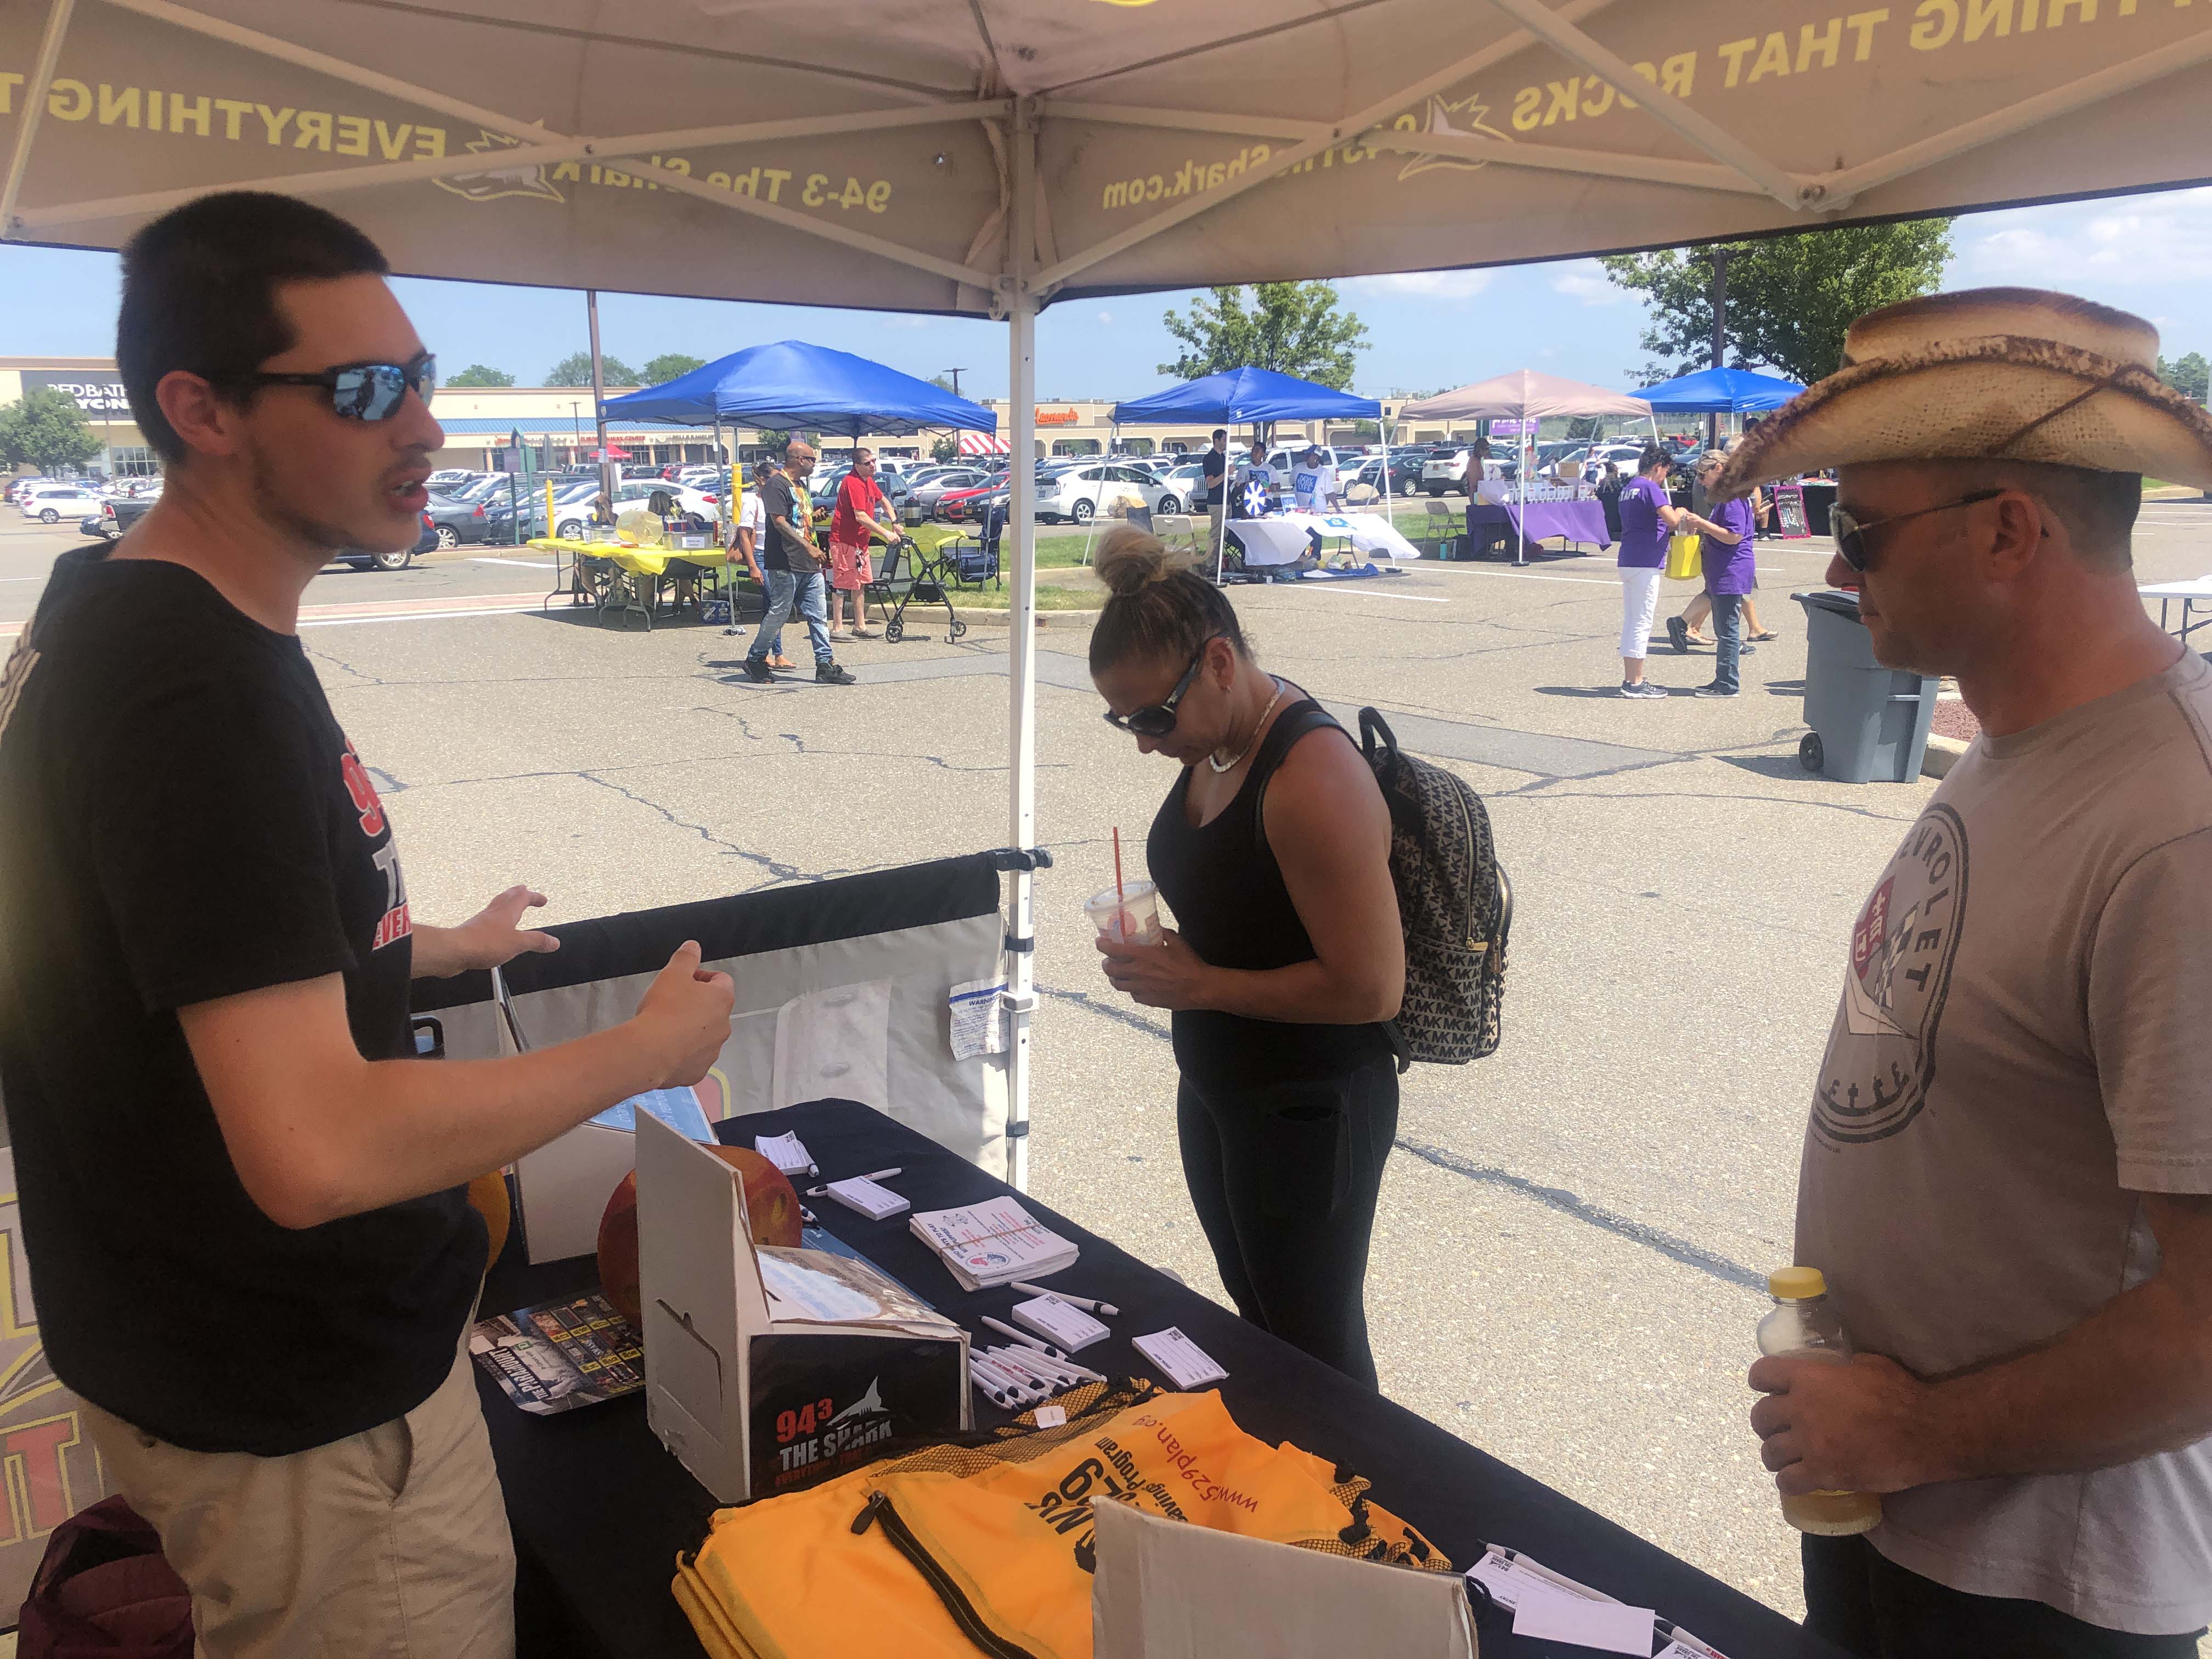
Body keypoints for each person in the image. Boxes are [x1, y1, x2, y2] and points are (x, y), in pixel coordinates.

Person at [0, 191, 737, 1658]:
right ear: (200, 410)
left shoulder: (114, 611)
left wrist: (424, 947)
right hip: (304, 1404)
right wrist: (645, 1051)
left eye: (420, 378)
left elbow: (143, 938)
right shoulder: (194, 689)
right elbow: (316, 1152)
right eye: (361, 391)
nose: (426, 429)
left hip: (195, 1351)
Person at [1724, 287, 2212, 1658]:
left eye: (1858, 529)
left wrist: (1922, 1429)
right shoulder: (2028, 743)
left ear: (2008, 530)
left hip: (2043, 1586)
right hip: (1903, 1505)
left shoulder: (2179, 826)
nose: (1837, 572)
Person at [1087, 526, 1404, 1385]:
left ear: (1219, 663)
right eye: (1124, 720)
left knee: (1315, 1353)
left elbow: (1372, 989)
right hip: (1223, 1083)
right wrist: (1178, 964)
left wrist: (1199, 981)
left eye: (1153, 716)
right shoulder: (1220, 737)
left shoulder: (1311, 777)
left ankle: (1357, 1476)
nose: (1144, 741)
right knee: (1261, 1324)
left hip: (1310, 1104)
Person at [742, 438, 853, 686]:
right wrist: (809, 547)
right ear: (799, 459)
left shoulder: (800, 485)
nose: (815, 464)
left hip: (808, 564)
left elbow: (796, 519)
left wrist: (813, 517)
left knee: (818, 615)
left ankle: (825, 665)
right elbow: (779, 522)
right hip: (785, 562)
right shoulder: (776, 484)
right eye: (812, 459)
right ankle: (755, 659)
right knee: (779, 613)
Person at [1682, 450, 1757, 697]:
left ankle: (1728, 684)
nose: (1701, 481)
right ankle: (1723, 680)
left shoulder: (1732, 497)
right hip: (1725, 570)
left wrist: (1702, 523)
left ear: (1719, 469)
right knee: (1725, 630)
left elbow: (1734, 536)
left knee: (1728, 631)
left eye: (1702, 475)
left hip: (1731, 570)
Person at [1613, 445, 1681, 699]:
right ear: (1657, 467)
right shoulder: (1650, 488)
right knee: (1641, 622)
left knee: (1632, 621)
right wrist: (1680, 512)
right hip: (1645, 561)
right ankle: (1636, 682)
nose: (1665, 478)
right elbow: (1673, 521)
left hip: (1629, 558)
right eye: (1665, 472)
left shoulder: (1629, 488)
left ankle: (1630, 678)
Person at [828, 447, 901, 641]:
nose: (873, 465)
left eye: (873, 461)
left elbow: (884, 501)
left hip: (860, 543)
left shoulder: (868, 481)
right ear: (857, 466)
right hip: (844, 540)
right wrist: (885, 533)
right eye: (868, 463)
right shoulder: (852, 482)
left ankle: (860, 626)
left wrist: (894, 522)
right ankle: (837, 628)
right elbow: (860, 516)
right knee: (842, 582)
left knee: (859, 583)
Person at [724, 457, 772, 641]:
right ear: (762, 480)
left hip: (777, 556)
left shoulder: (777, 501)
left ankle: (768, 647)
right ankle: (770, 648)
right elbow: (744, 535)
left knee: (772, 603)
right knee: (774, 599)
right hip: (760, 555)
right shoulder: (753, 502)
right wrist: (753, 566)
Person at [1291, 445, 1339, 514]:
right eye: (1306, 454)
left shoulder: (1324, 472)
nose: (1306, 456)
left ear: (1316, 457)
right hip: (1300, 511)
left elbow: (1330, 493)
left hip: (1318, 512)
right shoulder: (1298, 468)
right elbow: (1293, 483)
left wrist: (1338, 509)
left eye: (1309, 454)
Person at [1200, 427, 1228, 538]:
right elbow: (1211, 484)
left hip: (1226, 501)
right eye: (1224, 440)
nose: (1226, 443)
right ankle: (1212, 550)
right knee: (1216, 535)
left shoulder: (1224, 457)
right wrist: (1226, 473)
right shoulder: (1209, 458)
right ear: (1216, 441)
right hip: (1216, 503)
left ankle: (1222, 551)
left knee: (1225, 534)